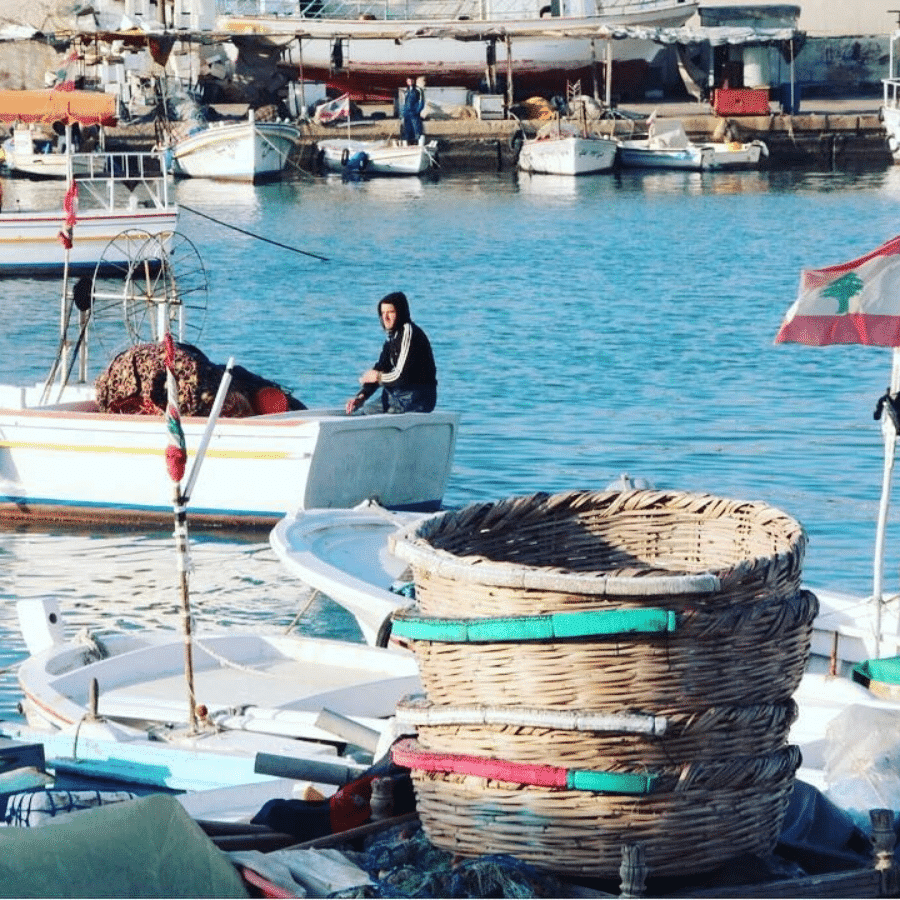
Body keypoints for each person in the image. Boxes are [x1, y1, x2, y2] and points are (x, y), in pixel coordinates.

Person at [345, 291, 437, 415]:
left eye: (390, 312)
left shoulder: (408, 332)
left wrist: (378, 377)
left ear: (400, 312)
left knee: (390, 414)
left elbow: (401, 375)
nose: (386, 317)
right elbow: (381, 366)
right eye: (383, 313)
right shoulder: (392, 337)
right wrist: (362, 396)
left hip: (418, 397)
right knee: (364, 413)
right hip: (395, 395)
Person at [400, 76, 425, 145]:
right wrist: (402, 112)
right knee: (407, 129)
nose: (410, 82)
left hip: (414, 113)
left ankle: (417, 143)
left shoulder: (418, 90)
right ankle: (409, 144)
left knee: (416, 129)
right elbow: (403, 103)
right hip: (406, 114)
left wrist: (417, 111)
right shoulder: (406, 91)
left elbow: (422, 102)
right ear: (406, 82)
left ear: (414, 81)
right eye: (408, 81)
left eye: (411, 81)